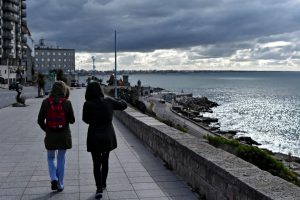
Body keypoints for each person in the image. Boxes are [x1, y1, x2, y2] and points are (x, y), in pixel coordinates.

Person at [82, 82, 127, 199]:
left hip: (94, 137)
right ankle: (104, 183)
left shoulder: (87, 104)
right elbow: (124, 105)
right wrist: (115, 98)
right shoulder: (108, 101)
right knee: (105, 161)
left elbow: (85, 120)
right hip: (107, 136)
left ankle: (99, 188)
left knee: (96, 163)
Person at [37, 81, 75, 192]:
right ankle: (60, 184)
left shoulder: (45, 102)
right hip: (64, 135)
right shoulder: (67, 103)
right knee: (61, 159)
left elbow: (40, 120)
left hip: (51, 135)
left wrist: (47, 130)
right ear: (64, 90)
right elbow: (72, 120)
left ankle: (53, 178)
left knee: (50, 158)